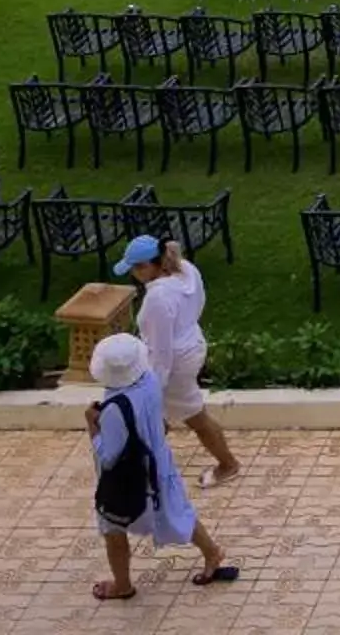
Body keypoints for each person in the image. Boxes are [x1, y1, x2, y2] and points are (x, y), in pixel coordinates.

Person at [85, 333, 234, 600]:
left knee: (112, 528)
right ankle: (212, 552)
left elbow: (109, 457)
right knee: (178, 510)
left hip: (128, 481)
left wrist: (93, 429)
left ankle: (122, 585)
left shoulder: (114, 411)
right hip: (159, 467)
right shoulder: (150, 382)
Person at [116, 232, 241, 486]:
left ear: (147, 267)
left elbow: (161, 351)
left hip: (174, 364)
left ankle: (228, 465)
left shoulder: (157, 300)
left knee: (190, 416)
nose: (133, 275)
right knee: (157, 415)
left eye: (135, 269)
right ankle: (144, 467)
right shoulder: (187, 271)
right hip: (192, 346)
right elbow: (199, 303)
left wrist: (152, 385)